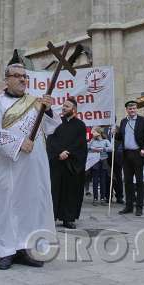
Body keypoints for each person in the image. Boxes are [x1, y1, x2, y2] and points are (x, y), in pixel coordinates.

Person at [0, 63, 58, 270]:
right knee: (6, 206)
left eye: (25, 76)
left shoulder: (36, 101)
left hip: (33, 165)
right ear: (6, 79)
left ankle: (26, 248)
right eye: (17, 76)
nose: (23, 79)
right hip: (7, 163)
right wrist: (18, 143)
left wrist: (49, 110)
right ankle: (6, 251)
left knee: (31, 206)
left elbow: (50, 127)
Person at [47, 97, 87, 229]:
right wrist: (59, 153)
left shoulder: (80, 125)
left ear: (74, 109)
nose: (64, 108)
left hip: (71, 164)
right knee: (54, 190)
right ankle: (51, 217)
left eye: (67, 106)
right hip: (57, 162)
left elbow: (80, 144)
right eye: (63, 106)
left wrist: (68, 152)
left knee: (70, 192)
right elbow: (51, 141)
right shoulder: (56, 123)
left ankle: (68, 218)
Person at [114, 100, 144, 216]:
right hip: (126, 154)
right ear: (126, 110)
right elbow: (120, 137)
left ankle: (139, 207)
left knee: (139, 181)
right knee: (127, 181)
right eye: (130, 109)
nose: (132, 110)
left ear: (136, 109)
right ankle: (129, 206)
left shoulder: (143, 121)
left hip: (138, 153)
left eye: (134, 108)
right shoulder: (123, 122)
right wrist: (115, 133)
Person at [88, 127, 111, 204]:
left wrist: (102, 149)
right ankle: (95, 198)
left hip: (103, 160)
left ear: (98, 132)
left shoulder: (105, 141)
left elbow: (111, 148)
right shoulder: (93, 141)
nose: (92, 133)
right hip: (95, 161)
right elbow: (88, 147)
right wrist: (92, 143)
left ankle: (102, 198)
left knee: (103, 180)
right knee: (95, 180)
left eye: (94, 132)